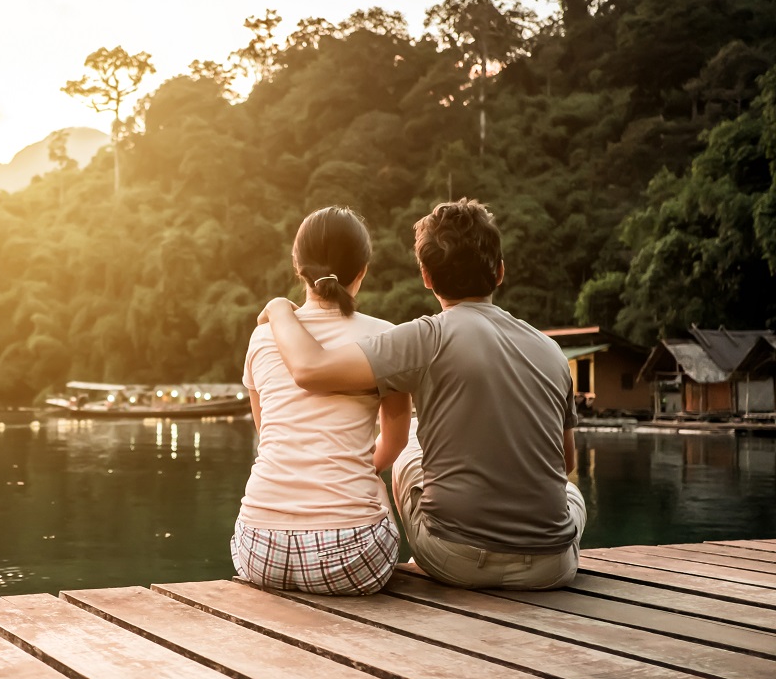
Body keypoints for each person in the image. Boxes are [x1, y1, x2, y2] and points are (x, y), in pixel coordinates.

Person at [258, 199, 585, 590]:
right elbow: (566, 461)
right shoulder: (552, 351)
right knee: (571, 493)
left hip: (455, 560)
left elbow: (310, 369)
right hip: (551, 567)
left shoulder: (424, 337)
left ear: (426, 277)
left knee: (409, 441)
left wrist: (278, 309)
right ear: (500, 272)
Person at [232, 206, 411, 596]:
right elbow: (396, 441)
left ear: (298, 267)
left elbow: (267, 432)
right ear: (362, 270)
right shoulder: (388, 339)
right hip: (352, 556)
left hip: (258, 548)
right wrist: (358, 470)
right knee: (398, 456)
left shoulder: (262, 337)